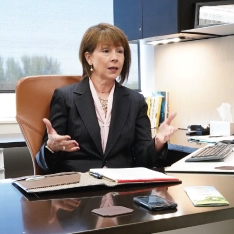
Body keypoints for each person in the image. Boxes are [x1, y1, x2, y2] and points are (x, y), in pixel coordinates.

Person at [36, 22, 177, 174]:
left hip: (122, 186)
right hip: (80, 187)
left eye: (120, 51)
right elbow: (47, 163)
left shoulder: (135, 101)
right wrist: (51, 147)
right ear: (89, 58)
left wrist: (158, 142)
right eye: (106, 51)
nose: (115, 58)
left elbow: (143, 160)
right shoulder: (65, 97)